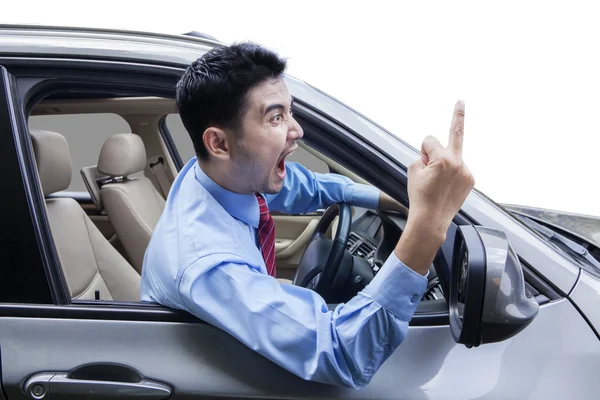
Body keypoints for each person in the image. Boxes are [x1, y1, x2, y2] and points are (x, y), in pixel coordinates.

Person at [140, 42, 475, 389]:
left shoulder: (213, 173)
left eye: (290, 111)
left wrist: (403, 198)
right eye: (276, 117)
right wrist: (428, 225)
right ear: (220, 144)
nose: (297, 129)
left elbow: (308, 186)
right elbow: (343, 353)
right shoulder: (211, 267)